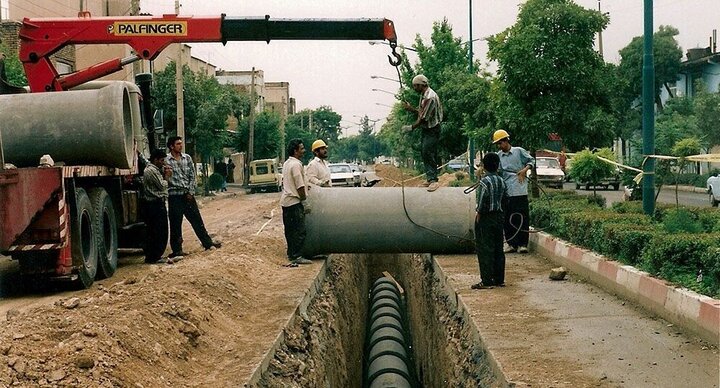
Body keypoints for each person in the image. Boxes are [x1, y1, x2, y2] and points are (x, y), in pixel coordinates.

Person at [165, 136, 221, 258]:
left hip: (187, 195)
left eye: (181, 143)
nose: (181, 145)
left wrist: (191, 192)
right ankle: (177, 250)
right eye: (178, 144)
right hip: (174, 195)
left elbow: (193, 176)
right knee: (175, 224)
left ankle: (207, 243)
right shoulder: (166, 160)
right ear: (171, 146)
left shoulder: (187, 158)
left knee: (197, 221)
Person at [493, 129, 534, 254]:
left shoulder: (519, 151)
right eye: (498, 145)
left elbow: (531, 161)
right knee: (507, 219)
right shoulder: (499, 156)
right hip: (506, 192)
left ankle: (522, 244)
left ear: (506, 141)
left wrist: (524, 170)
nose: (499, 146)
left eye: (500, 143)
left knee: (522, 218)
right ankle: (511, 244)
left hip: (520, 190)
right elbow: (497, 171)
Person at [471, 153, 507, 289]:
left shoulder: (484, 182)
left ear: (484, 166)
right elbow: (505, 198)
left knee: (485, 248)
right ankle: (499, 279)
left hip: (486, 217)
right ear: (497, 166)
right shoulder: (501, 181)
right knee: (498, 248)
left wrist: (479, 215)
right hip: (498, 217)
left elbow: (482, 200)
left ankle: (486, 280)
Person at [402, 74, 443, 192]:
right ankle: (430, 178)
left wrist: (411, 127)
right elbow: (422, 112)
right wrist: (411, 109)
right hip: (427, 129)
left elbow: (424, 118)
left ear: (421, 85)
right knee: (424, 152)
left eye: (415, 86)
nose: (414, 88)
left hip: (432, 129)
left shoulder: (430, 97)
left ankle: (433, 180)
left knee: (428, 151)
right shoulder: (424, 95)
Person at [281, 138, 312, 265]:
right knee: (299, 230)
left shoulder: (287, 163)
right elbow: (299, 186)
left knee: (290, 230)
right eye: (302, 148)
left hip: (286, 202)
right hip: (294, 202)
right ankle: (296, 256)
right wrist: (304, 201)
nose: (304, 151)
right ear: (295, 151)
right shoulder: (296, 165)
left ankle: (291, 254)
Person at [142, 149, 173, 264]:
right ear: (155, 160)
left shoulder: (154, 169)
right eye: (161, 160)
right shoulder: (151, 171)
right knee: (158, 231)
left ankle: (155, 255)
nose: (163, 162)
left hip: (156, 203)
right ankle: (154, 256)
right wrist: (167, 176)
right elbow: (162, 186)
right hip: (154, 204)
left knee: (158, 230)